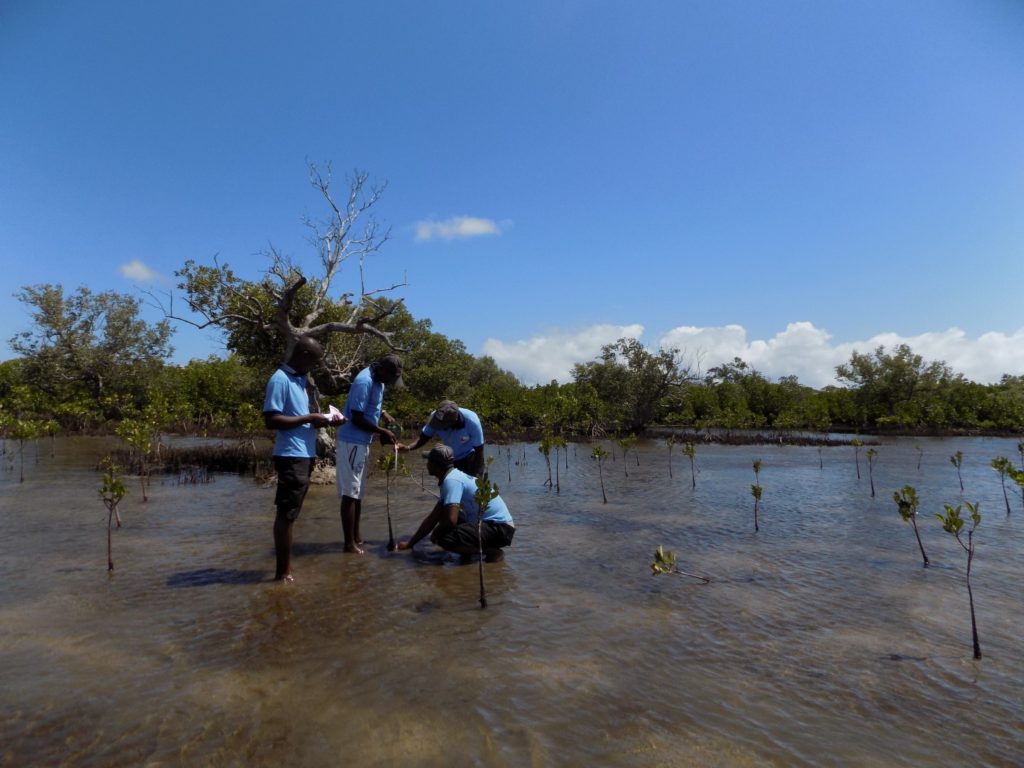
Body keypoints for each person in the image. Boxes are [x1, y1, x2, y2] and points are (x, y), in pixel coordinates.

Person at [262, 336, 342, 582]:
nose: (316, 365)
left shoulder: (300, 381)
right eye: (315, 360)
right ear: (304, 355)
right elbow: (271, 420)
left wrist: (325, 420)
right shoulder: (280, 379)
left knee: (291, 514)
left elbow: (298, 417)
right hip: (290, 456)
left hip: (304, 454)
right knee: (286, 515)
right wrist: (309, 418)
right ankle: (282, 574)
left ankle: (284, 570)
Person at [397, 445, 515, 563]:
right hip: (497, 527)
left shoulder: (451, 481)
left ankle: (491, 552)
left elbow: (450, 520)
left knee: (443, 537)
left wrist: (436, 533)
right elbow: (433, 517)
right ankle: (468, 556)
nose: (427, 464)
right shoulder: (452, 477)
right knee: (446, 517)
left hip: (500, 528)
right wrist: (410, 543)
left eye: (429, 461)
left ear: (436, 465)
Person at [336, 354, 403, 554]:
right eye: (391, 378)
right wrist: (382, 431)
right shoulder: (363, 381)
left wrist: (384, 414)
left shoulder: (379, 380)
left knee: (358, 493)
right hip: (351, 441)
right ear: (382, 370)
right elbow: (355, 417)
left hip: (363, 442)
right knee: (350, 493)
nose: (391, 383)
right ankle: (349, 544)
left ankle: (356, 537)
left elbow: (372, 405)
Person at [399, 399, 485, 476]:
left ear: (453, 421)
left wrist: (476, 475)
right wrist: (408, 447)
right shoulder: (435, 417)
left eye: (442, 425)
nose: (438, 426)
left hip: (469, 457)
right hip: (449, 459)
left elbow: (479, 450)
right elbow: (423, 438)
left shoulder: (472, 421)